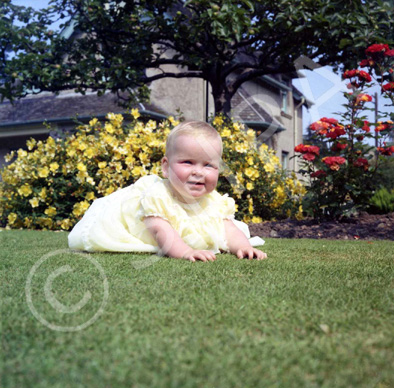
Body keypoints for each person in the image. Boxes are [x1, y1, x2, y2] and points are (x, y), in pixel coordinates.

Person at [68, 120, 267, 262]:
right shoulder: (158, 196)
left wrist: (244, 247)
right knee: (112, 229)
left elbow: (228, 229)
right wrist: (185, 252)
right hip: (140, 227)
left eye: (208, 165)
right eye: (187, 162)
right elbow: (160, 230)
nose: (198, 172)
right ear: (166, 166)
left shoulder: (214, 201)